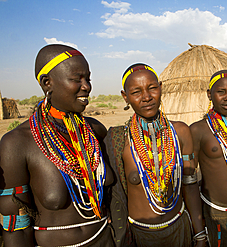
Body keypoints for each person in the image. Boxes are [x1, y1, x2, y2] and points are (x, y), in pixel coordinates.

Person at [0, 44, 114, 246]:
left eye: (88, 78)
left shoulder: (95, 130)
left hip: (107, 239)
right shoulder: (16, 143)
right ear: (47, 83)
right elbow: (16, 226)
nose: (86, 86)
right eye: (76, 79)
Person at [104, 63, 206, 247]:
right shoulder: (119, 140)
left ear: (160, 88)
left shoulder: (180, 132)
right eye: (136, 92)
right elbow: (113, 196)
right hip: (139, 236)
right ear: (125, 97)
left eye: (152, 88)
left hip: (179, 230)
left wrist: (200, 234)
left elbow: (190, 186)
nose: (146, 97)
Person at [190, 70, 227, 246]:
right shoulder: (198, 130)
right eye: (221, 91)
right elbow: (189, 177)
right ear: (210, 94)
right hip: (216, 211)